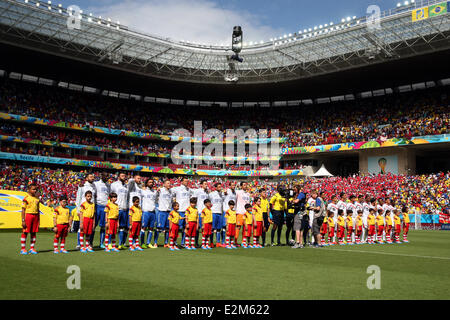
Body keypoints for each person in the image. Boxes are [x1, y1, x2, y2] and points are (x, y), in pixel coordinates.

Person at [75, 173, 96, 249]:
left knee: (89, 229)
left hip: (91, 209)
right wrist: (78, 210)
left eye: (93, 177)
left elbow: (94, 198)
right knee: (81, 228)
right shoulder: (82, 186)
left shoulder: (94, 186)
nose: (92, 178)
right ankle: (79, 244)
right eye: (91, 177)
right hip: (83, 210)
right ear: (87, 178)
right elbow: (78, 197)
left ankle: (88, 244)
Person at [110, 172, 130, 249]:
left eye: (125, 176)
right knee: (113, 227)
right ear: (118, 177)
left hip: (124, 209)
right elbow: (110, 195)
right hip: (116, 209)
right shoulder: (114, 185)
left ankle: (121, 244)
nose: (124, 177)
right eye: (122, 176)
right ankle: (110, 244)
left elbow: (127, 198)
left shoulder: (126, 186)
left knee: (122, 227)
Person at [170, 177, 191, 248]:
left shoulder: (189, 190)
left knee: (186, 228)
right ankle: (174, 242)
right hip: (180, 211)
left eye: (187, 181)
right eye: (185, 181)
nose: (187, 182)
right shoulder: (177, 189)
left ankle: (183, 242)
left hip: (187, 212)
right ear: (181, 182)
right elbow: (169, 191)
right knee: (177, 228)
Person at [20, 183, 40, 255]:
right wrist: (23, 220)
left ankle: (32, 248)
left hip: (36, 216)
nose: (35, 190)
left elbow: (38, 209)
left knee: (34, 232)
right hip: (28, 215)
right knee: (25, 232)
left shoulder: (37, 199)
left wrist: (39, 220)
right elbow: (23, 210)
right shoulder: (26, 198)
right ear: (29, 189)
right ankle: (23, 249)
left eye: (36, 189)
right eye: (33, 189)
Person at [93, 172, 110, 248]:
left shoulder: (108, 185)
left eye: (108, 176)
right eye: (106, 176)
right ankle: (90, 242)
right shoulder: (96, 184)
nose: (107, 177)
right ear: (101, 176)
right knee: (94, 225)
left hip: (105, 207)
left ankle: (101, 243)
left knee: (103, 226)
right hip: (97, 206)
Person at [155, 179, 172, 247]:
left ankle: (166, 243)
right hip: (162, 211)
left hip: (168, 211)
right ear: (164, 184)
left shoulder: (171, 191)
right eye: (167, 183)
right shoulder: (161, 190)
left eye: (169, 183)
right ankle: (155, 242)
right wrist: (157, 191)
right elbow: (156, 196)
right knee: (159, 227)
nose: (169, 184)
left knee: (167, 228)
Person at [141, 178, 157, 249]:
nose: (151, 183)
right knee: (143, 228)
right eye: (149, 182)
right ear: (146, 183)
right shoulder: (143, 191)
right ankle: (142, 243)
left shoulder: (155, 192)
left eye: (152, 182)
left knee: (151, 228)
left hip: (153, 212)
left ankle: (148, 243)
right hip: (146, 212)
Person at [192, 180, 209, 247]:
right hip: (199, 212)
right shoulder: (197, 191)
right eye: (205, 184)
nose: (206, 185)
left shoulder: (207, 192)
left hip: (206, 213)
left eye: (206, 184)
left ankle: (204, 243)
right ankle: (195, 243)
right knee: (197, 228)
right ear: (201, 185)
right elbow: (193, 199)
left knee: (204, 228)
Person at [235, 182, 251, 246]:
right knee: (238, 227)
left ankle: (243, 242)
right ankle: (235, 241)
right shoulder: (238, 192)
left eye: (246, 184)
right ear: (241, 186)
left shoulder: (248, 194)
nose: (245, 186)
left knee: (245, 228)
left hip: (246, 213)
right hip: (240, 212)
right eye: (244, 185)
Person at [209, 182, 224, 247]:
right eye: (219, 187)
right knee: (212, 228)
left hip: (220, 213)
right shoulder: (211, 194)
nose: (220, 188)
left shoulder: (222, 194)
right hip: (213, 212)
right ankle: (211, 242)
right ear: (215, 188)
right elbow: (208, 202)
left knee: (219, 229)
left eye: (220, 187)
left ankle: (218, 243)